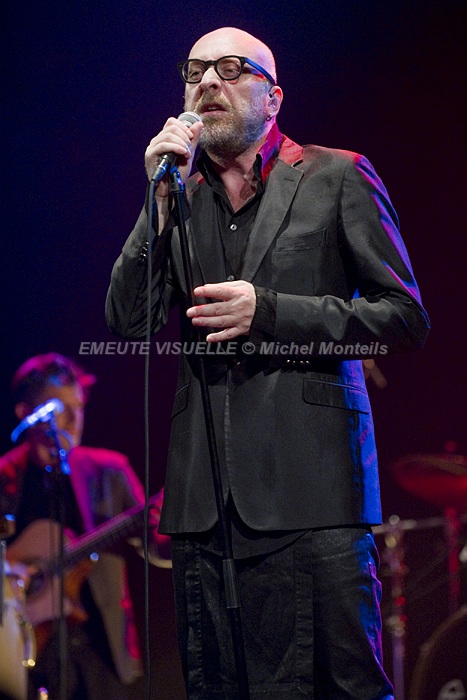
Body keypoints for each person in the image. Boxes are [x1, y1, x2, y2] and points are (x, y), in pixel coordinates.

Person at [105, 26, 430, 699]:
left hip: (314, 499)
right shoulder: (178, 195)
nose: (207, 81)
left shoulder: (337, 175)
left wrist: (272, 312)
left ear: (273, 97)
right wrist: (155, 203)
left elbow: (402, 318)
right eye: (195, 71)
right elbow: (127, 321)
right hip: (203, 510)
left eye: (230, 68)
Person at [0, 353, 170, 700]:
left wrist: (175, 529)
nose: (74, 419)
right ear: (26, 413)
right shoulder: (5, 477)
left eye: (78, 406)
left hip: (102, 646)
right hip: (26, 651)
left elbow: (155, 547)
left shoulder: (109, 470)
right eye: (60, 408)